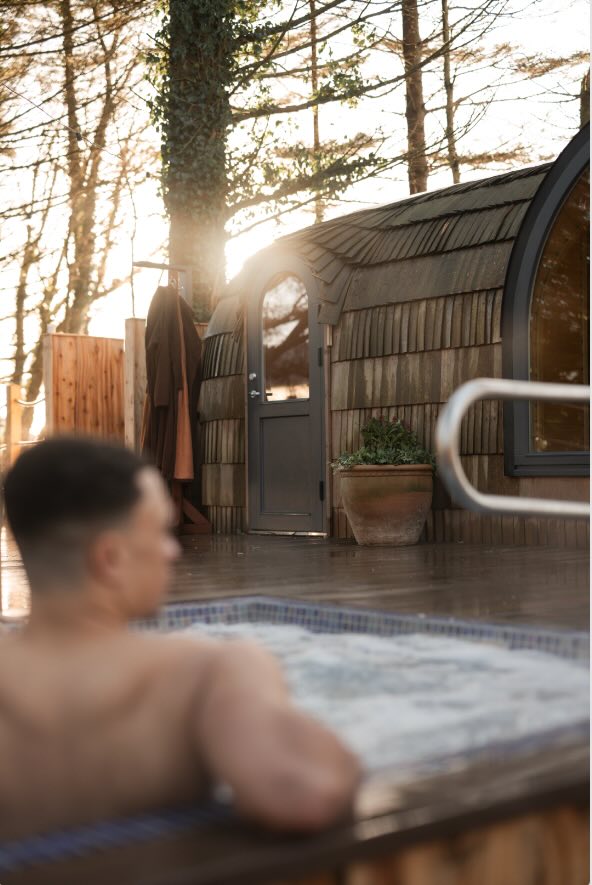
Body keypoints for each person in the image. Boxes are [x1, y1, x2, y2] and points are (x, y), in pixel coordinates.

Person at [0, 438, 360, 842]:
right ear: (111, 559)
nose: (172, 552)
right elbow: (304, 794)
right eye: (160, 532)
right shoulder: (202, 672)